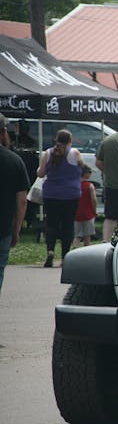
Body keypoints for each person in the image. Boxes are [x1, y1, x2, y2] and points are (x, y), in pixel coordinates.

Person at [37, 129, 85, 267]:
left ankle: (50, 252)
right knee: (67, 225)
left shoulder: (48, 153)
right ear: (70, 141)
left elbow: (40, 174)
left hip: (51, 195)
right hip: (71, 195)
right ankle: (64, 257)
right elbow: (83, 169)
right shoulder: (75, 153)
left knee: (51, 224)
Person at [0, 114, 30, 294]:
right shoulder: (14, 161)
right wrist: (16, 230)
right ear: (3, 133)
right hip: (3, 229)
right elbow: (22, 202)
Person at [73, 164, 97, 248]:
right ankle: (86, 249)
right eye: (90, 172)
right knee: (87, 235)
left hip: (76, 213)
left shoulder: (74, 184)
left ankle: (75, 248)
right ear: (86, 174)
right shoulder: (90, 185)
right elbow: (93, 199)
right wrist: (94, 210)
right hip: (88, 213)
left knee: (78, 235)